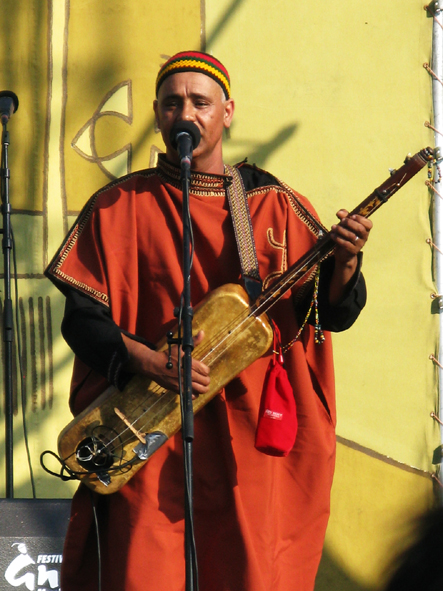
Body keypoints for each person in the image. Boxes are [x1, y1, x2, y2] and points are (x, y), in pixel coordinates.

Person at [45, 51, 372, 591]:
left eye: (201, 102)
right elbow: (82, 322)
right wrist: (149, 361)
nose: (187, 115)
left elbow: (329, 313)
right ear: (157, 114)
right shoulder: (116, 206)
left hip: (252, 440)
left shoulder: (274, 204)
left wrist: (348, 262)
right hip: (150, 428)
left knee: (250, 572)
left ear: (227, 112)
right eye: (173, 104)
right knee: (144, 570)